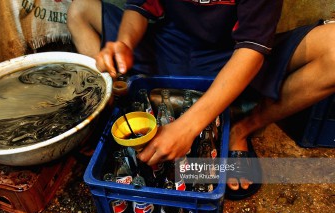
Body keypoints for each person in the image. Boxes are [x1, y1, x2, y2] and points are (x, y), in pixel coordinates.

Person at [68, 0, 335, 199]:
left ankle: (241, 129)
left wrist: (187, 127)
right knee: (80, 9)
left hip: (232, 55)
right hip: (168, 47)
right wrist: (125, 43)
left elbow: (252, 49)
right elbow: (140, 6)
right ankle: (117, 115)